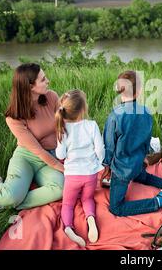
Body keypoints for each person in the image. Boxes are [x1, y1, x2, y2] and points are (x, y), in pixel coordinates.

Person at [0, 63, 64, 212]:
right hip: (27, 157)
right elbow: (38, 151)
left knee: (62, 188)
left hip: (50, 156)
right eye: (43, 79)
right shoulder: (13, 117)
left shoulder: (51, 97)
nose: (48, 81)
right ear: (29, 87)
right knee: (10, 197)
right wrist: (62, 168)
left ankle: (4, 203)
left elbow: (64, 126)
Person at [101, 70, 162, 217]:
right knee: (143, 176)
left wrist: (106, 166)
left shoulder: (115, 116)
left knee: (116, 208)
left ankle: (161, 201)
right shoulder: (146, 112)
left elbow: (109, 147)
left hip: (122, 170)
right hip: (138, 163)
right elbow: (146, 140)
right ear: (139, 91)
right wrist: (142, 158)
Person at [55, 89, 104, 247]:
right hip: (90, 175)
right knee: (87, 199)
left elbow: (60, 155)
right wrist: (98, 162)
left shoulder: (62, 129)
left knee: (68, 204)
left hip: (72, 176)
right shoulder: (92, 125)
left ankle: (69, 227)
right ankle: (91, 218)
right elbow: (100, 150)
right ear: (83, 109)